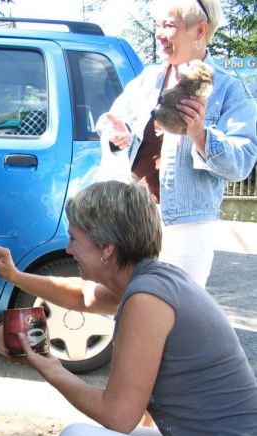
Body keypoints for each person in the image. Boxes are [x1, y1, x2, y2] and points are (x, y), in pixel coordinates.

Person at [0, 180, 257, 436]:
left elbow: (117, 415)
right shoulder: (153, 279)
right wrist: (15, 276)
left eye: (74, 238)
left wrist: (52, 370)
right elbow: (83, 296)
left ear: (106, 247)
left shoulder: (147, 300)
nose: (69, 249)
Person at [96, 0, 257, 288]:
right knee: (119, 302)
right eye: (158, 25)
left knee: (176, 307)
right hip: (130, 216)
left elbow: (242, 162)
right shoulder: (148, 79)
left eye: (168, 25)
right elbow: (111, 121)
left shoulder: (230, 89)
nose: (159, 34)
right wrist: (117, 130)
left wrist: (199, 134)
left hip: (186, 225)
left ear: (200, 30)